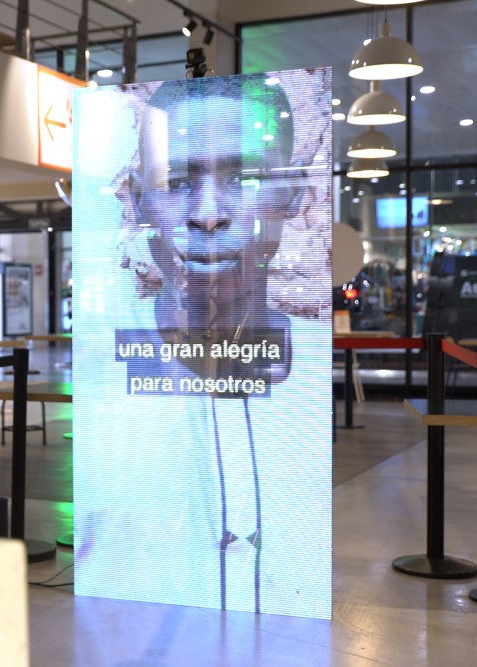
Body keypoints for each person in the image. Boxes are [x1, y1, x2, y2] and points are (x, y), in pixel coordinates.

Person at [72, 71, 331, 619]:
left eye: (247, 177)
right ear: (139, 201)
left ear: (294, 194)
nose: (208, 213)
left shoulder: (314, 370)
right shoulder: (101, 369)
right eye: (179, 181)